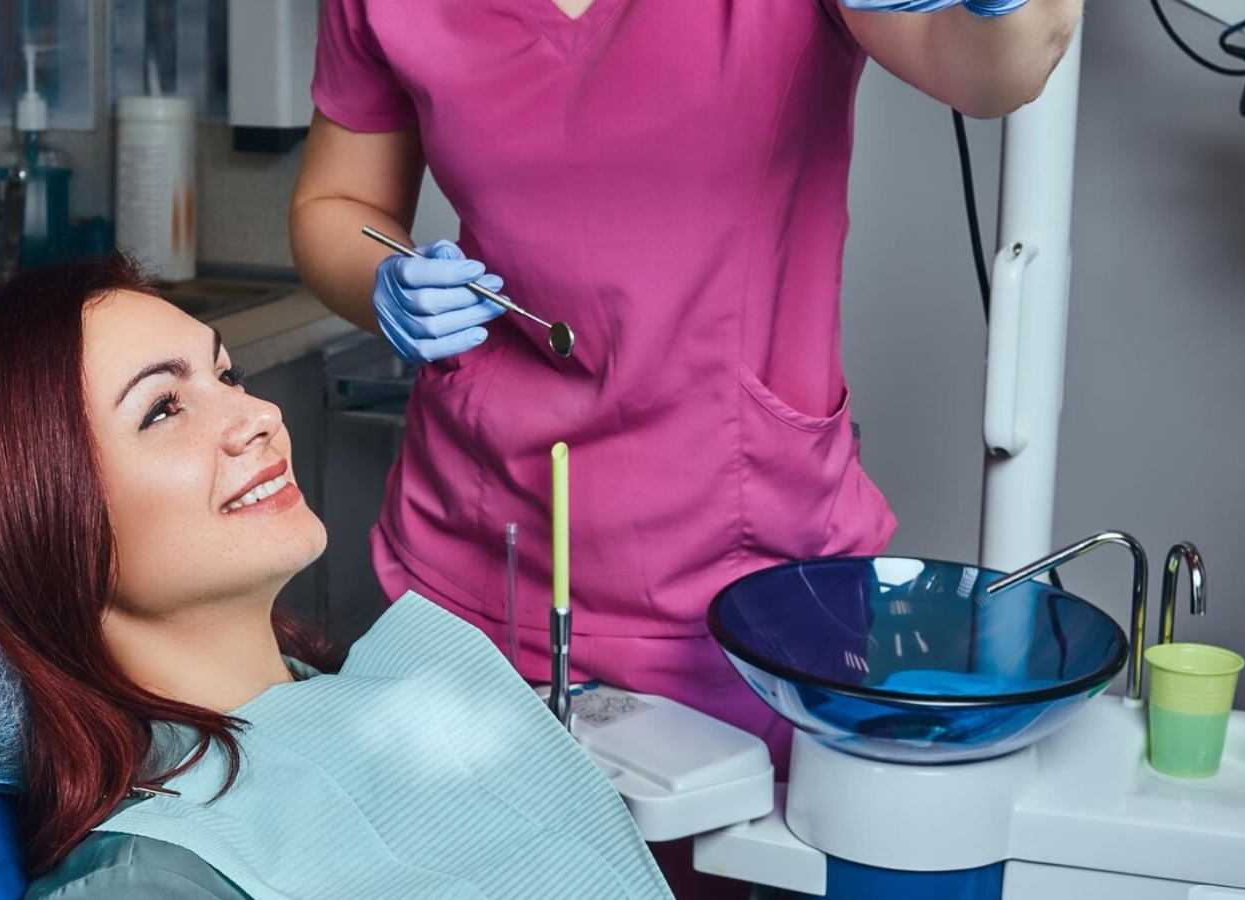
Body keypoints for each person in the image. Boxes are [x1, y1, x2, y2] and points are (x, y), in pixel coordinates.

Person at [290, 3, 1081, 891]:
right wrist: (384, 282)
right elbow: (337, 204)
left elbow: (990, 73)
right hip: (480, 553)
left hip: (737, 572)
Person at [0, 255, 674, 900]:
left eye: (227, 375)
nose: (255, 416)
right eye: (162, 409)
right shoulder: (155, 878)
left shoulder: (394, 708)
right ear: (39, 522)